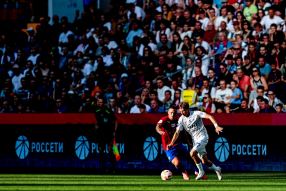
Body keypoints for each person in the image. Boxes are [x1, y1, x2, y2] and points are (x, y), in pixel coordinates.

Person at [167, 101, 223, 180]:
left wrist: (216, 126)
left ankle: (201, 171)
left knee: (192, 153)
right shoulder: (181, 119)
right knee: (204, 161)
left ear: (188, 109)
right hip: (195, 140)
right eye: (181, 111)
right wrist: (172, 143)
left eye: (184, 110)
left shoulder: (196, 113)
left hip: (203, 137)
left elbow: (210, 116)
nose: (182, 113)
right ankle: (217, 169)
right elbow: (177, 132)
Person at [156, 106, 207, 180]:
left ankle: (198, 171)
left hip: (178, 143)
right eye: (171, 113)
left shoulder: (178, 120)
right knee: (177, 163)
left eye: (174, 113)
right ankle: (183, 172)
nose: (172, 114)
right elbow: (158, 126)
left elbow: (184, 132)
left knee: (190, 157)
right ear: (168, 113)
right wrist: (159, 131)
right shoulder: (164, 119)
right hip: (168, 146)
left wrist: (188, 142)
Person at [94, 97, 118, 173]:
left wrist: (114, 131)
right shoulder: (97, 111)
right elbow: (97, 121)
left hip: (109, 133)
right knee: (100, 150)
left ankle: (113, 168)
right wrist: (96, 125)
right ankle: (104, 168)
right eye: (98, 102)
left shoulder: (109, 111)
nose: (99, 104)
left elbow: (116, 121)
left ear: (104, 103)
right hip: (101, 134)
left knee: (110, 150)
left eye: (101, 102)